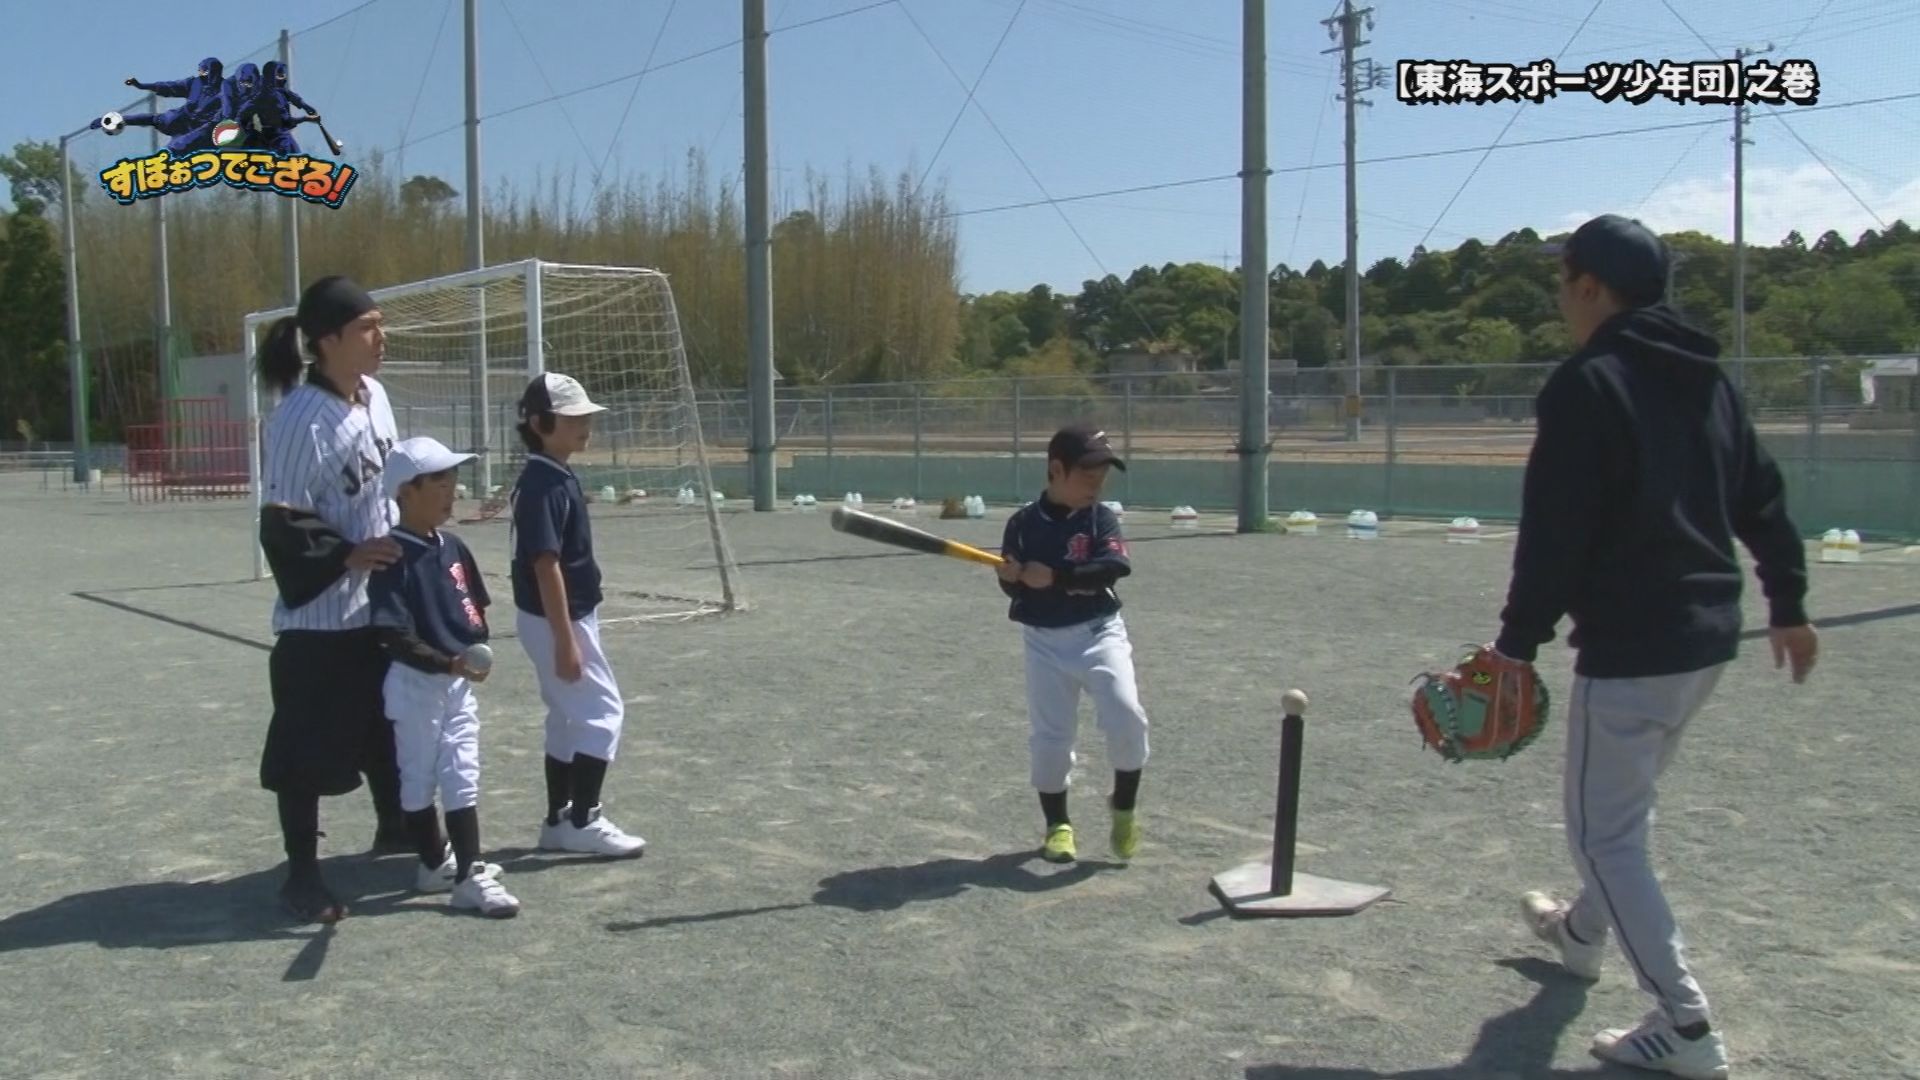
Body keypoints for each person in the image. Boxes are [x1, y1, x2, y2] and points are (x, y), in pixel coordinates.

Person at [1492, 214, 1817, 1079]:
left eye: (1565, 281)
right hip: (1708, 636)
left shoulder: (1587, 381)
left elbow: (1557, 530)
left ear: (1592, 287)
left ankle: (1683, 1021)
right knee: (1621, 814)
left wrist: (1515, 645)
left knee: (1605, 835)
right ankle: (1581, 933)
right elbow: (1762, 493)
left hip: (1635, 645)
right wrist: (1786, 599)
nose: (1561, 297)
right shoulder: (1704, 377)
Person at [255, 274, 411, 924]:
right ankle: (301, 876)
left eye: (380, 323)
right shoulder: (298, 419)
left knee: (388, 723)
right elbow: (280, 519)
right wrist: (345, 555)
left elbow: (391, 479)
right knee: (304, 749)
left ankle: (396, 829)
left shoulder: (374, 396)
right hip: (319, 621)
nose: (382, 337)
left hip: (377, 604)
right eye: (368, 327)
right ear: (326, 341)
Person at [367, 436, 520, 918]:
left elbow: (473, 612)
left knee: (462, 772)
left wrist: (471, 657)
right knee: (417, 779)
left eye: (452, 478)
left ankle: (468, 872)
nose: (451, 488)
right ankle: (433, 862)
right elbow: (393, 635)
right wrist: (444, 663)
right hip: (415, 686)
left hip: (455, 684)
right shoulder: (392, 556)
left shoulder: (453, 546)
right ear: (405, 492)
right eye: (439, 480)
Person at [994, 423, 1151, 864]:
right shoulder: (1022, 525)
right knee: (1050, 739)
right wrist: (1009, 577)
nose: (1096, 484)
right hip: (1043, 642)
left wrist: (1057, 577)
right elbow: (1016, 590)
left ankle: (1123, 807)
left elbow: (1113, 568)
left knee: (1126, 716)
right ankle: (1057, 825)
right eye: (1086, 475)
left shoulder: (1100, 517)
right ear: (1056, 470)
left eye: (1102, 475)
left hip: (1100, 633)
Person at [509, 372, 648, 858]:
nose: (585, 424)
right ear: (542, 423)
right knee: (602, 713)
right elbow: (544, 563)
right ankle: (584, 819)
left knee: (568, 718)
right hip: (555, 618)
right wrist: (565, 639)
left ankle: (559, 820)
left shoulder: (552, 474)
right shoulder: (543, 482)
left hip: (552, 618)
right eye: (572, 418)